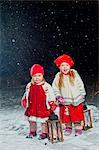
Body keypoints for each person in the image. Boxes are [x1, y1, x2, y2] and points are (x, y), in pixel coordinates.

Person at [52, 54, 86, 136]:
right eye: (62, 65)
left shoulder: (74, 73)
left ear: (70, 65)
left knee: (76, 114)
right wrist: (58, 96)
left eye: (66, 65)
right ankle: (68, 127)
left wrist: (82, 93)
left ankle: (78, 127)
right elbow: (55, 87)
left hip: (76, 99)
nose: (65, 67)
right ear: (59, 67)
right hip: (65, 100)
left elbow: (80, 84)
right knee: (67, 116)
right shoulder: (58, 76)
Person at [22, 64, 56, 139]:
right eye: (34, 76)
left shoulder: (46, 86)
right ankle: (32, 132)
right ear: (32, 76)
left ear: (42, 76)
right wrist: (25, 100)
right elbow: (26, 94)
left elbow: (51, 95)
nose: (37, 78)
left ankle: (44, 133)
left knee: (44, 121)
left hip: (43, 106)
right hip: (32, 106)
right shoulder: (29, 85)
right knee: (32, 120)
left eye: (39, 75)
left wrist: (52, 102)